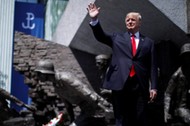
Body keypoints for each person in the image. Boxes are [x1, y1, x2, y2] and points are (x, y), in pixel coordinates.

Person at [87, 3, 158, 126]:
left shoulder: (148, 42)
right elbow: (101, 36)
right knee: (120, 118)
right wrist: (94, 19)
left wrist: (154, 87)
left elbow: (152, 66)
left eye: (133, 20)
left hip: (140, 85)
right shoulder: (117, 37)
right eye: (127, 20)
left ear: (139, 23)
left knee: (139, 118)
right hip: (120, 83)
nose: (130, 22)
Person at [34, 60, 113, 126]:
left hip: (97, 106)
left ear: (45, 73)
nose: (37, 76)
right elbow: (68, 106)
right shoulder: (57, 87)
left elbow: (86, 92)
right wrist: (72, 120)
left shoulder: (65, 78)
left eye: (38, 74)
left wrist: (104, 108)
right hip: (86, 110)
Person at [164, 43, 190, 126]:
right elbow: (168, 93)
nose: (188, 58)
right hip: (182, 108)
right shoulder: (178, 74)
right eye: (186, 56)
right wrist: (166, 111)